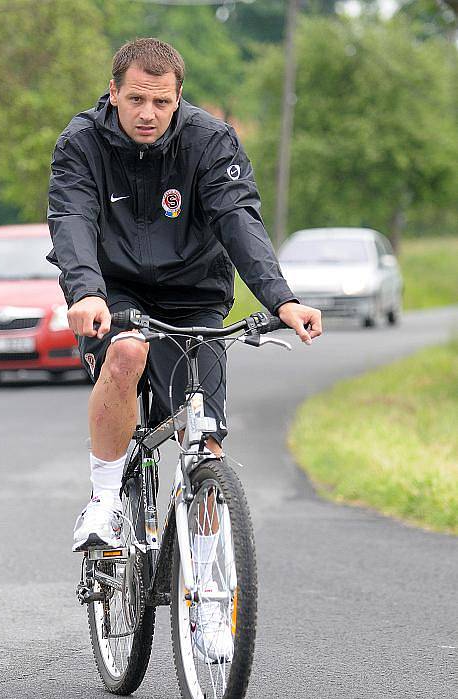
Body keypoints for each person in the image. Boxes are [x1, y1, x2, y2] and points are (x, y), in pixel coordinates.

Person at [48, 38, 322, 659]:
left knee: (205, 441)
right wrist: (86, 292)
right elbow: (71, 218)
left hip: (195, 294)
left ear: (178, 99)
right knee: (126, 356)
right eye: (136, 99)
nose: (148, 112)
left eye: (162, 101)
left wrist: (280, 299)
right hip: (112, 292)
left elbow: (238, 220)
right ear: (113, 91)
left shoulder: (209, 141)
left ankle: (208, 588)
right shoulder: (82, 142)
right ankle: (101, 504)